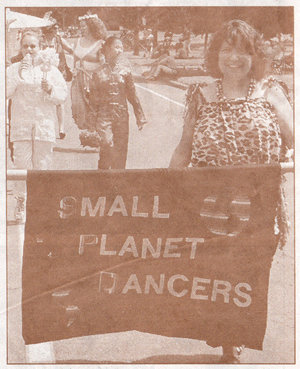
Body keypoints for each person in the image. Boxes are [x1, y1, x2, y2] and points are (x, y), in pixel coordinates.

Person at [169, 19, 293, 363]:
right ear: (216, 55)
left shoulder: (271, 92)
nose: (234, 57)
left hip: (257, 207)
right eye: (226, 49)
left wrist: (290, 157)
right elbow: (184, 147)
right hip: (208, 207)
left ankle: (236, 334)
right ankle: (226, 338)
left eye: (242, 50)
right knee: (215, 272)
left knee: (248, 272)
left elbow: (293, 139)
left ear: (255, 56)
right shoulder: (201, 94)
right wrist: (163, 187)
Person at [6, 30, 68, 221]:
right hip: (21, 124)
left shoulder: (50, 69)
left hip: (44, 124)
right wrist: (20, 73)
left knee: (42, 165)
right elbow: (6, 92)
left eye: (33, 46)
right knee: (22, 165)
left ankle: (42, 203)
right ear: (21, 48)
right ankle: (21, 202)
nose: (29, 50)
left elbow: (62, 96)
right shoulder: (12, 69)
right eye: (26, 46)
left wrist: (50, 89)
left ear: (39, 47)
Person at [80, 36, 147, 169]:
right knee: (106, 145)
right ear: (107, 49)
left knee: (121, 150)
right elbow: (93, 101)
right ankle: (103, 181)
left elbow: (132, 95)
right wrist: (91, 124)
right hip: (104, 117)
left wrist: (140, 116)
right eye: (116, 47)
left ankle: (119, 183)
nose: (119, 51)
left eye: (121, 48)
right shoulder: (98, 73)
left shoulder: (125, 72)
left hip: (121, 116)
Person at [60, 14, 107, 129]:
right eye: (80, 26)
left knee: (95, 108)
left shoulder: (101, 43)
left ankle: (97, 134)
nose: (81, 28)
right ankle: (90, 132)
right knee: (80, 109)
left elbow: (105, 65)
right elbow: (73, 56)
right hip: (78, 81)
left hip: (94, 81)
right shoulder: (78, 41)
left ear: (92, 26)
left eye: (84, 26)